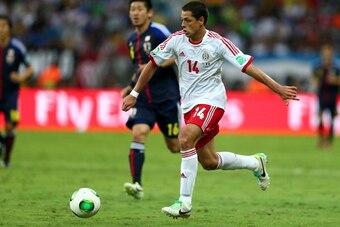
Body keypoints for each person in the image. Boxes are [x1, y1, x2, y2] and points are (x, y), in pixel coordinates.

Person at [122, 1, 299, 218]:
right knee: (209, 162)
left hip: (212, 102)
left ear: (201, 21)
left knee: (185, 138)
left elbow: (248, 68)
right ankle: (256, 162)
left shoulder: (218, 43)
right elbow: (152, 64)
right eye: (181, 19)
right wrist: (134, 93)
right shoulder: (176, 39)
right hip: (189, 105)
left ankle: (184, 203)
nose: (183, 24)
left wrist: (277, 88)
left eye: (187, 20)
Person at [122, 0, 181, 199]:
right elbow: (139, 69)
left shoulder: (158, 32)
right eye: (132, 10)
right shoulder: (131, 39)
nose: (135, 13)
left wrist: (156, 64)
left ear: (149, 13)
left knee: (174, 147)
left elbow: (179, 52)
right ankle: (136, 184)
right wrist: (130, 87)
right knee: (139, 133)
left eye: (139, 9)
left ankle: (204, 150)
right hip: (143, 98)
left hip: (166, 97)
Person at [0, 15, 34, 168]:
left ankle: (6, 159)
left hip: (10, 95)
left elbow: (31, 69)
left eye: (3, 26)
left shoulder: (17, 47)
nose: (1, 29)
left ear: (9, 29)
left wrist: (20, 77)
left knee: (10, 125)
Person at [311, 43, 340, 149]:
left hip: (332, 94)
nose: (327, 54)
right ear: (322, 53)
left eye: (328, 51)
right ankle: (321, 137)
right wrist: (315, 82)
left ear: (331, 53)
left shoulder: (336, 66)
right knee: (320, 116)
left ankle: (329, 141)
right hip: (322, 94)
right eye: (325, 51)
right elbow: (313, 78)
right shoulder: (318, 65)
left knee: (332, 117)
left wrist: (334, 80)